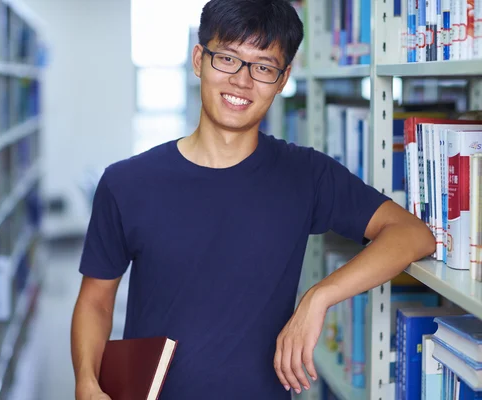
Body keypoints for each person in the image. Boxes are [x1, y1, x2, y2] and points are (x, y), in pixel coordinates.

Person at [70, 0, 435, 398]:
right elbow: (96, 302)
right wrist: (87, 382)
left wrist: (319, 297)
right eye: (227, 58)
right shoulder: (127, 182)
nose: (242, 81)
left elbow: (412, 234)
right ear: (199, 59)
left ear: (282, 79)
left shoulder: (306, 175)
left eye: (263, 67)